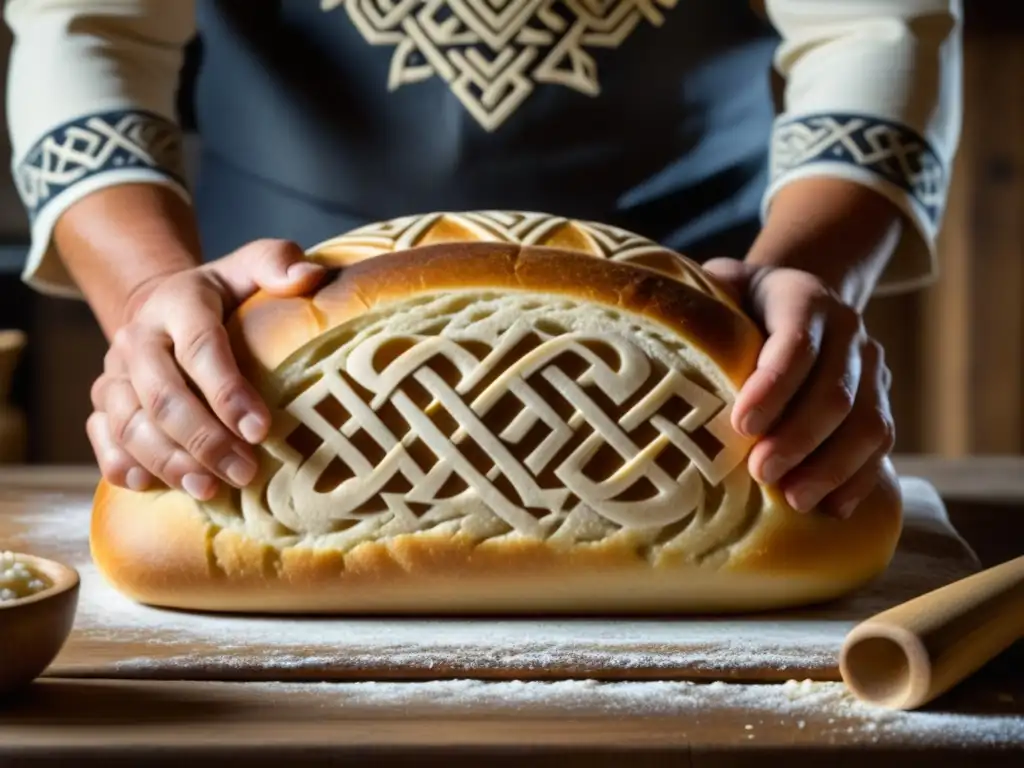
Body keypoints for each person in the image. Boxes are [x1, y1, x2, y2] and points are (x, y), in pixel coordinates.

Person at [4, 1, 961, 519]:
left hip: (703, 315)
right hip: (279, 322)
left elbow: (875, 25)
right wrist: (148, 295)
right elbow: (90, 25)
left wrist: (808, 272)